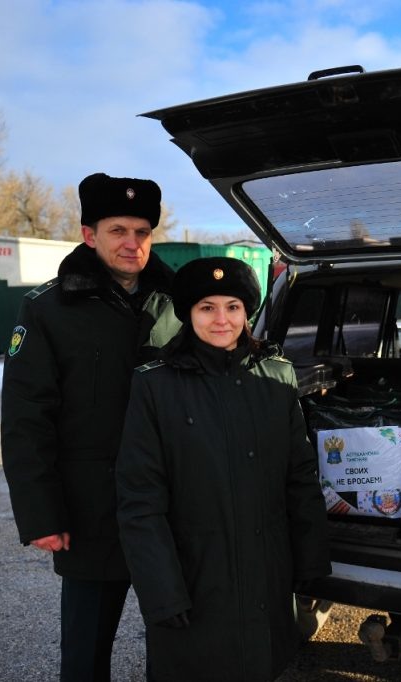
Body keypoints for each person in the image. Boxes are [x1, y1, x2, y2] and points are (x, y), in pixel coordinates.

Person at [0, 172, 181, 681]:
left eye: (142, 232)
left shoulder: (177, 304)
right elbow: (25, 418)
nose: (132, 243)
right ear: (89, 235)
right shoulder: (48, 309)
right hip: (90, 509)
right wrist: (40, 513)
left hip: (170, 506)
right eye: (118, 230)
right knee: (85, 653)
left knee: (178, 641)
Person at [116, 256, 331, 682]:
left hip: (266, 576)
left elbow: (300, 478)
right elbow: (140, 500)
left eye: (232, 307)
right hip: (193, 579)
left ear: (247, 312)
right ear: (188, 314)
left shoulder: (276, 377)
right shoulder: (154, 385)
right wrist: (162, 592)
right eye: (207, 308)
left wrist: (310, 564)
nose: (221, 320)